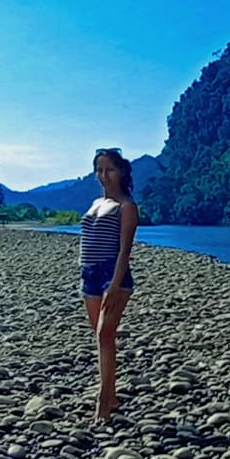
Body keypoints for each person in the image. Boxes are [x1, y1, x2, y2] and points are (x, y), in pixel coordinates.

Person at [80, 148, 138, 423]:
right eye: (99, 170)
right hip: (89, 274)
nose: (104, 175)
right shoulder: (95, 203)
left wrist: (115, 284)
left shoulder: (127, 206)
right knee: (103, 336)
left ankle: (103, 400)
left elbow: (125, 250)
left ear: (121, 172)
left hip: (111, 275)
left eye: (109, 169)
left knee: (104, 333)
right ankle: (112, 395)